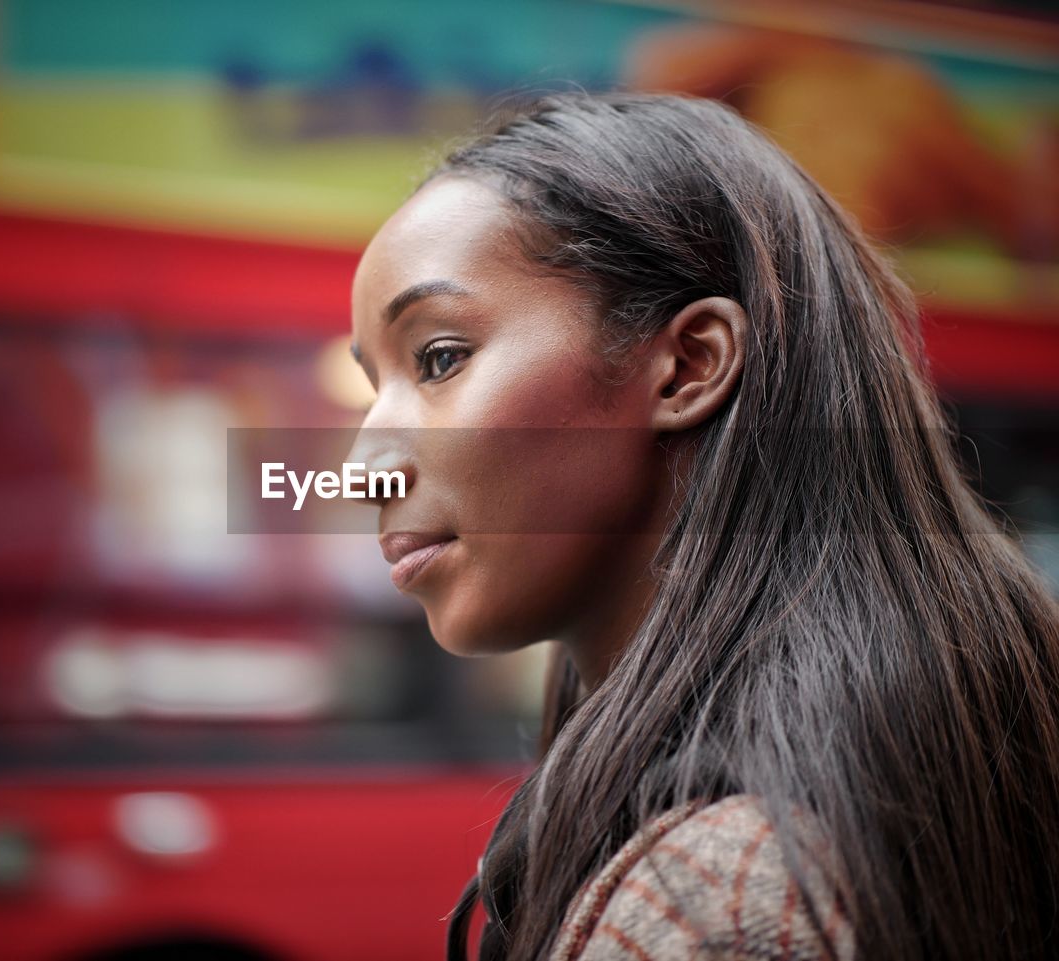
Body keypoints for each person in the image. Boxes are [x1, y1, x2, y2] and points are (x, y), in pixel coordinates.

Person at [345, 92, 1059, 961]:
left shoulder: (715, 899)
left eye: (440, 358)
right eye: (373, 381)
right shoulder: (934, 755)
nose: (360, 466)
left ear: (689, 365)